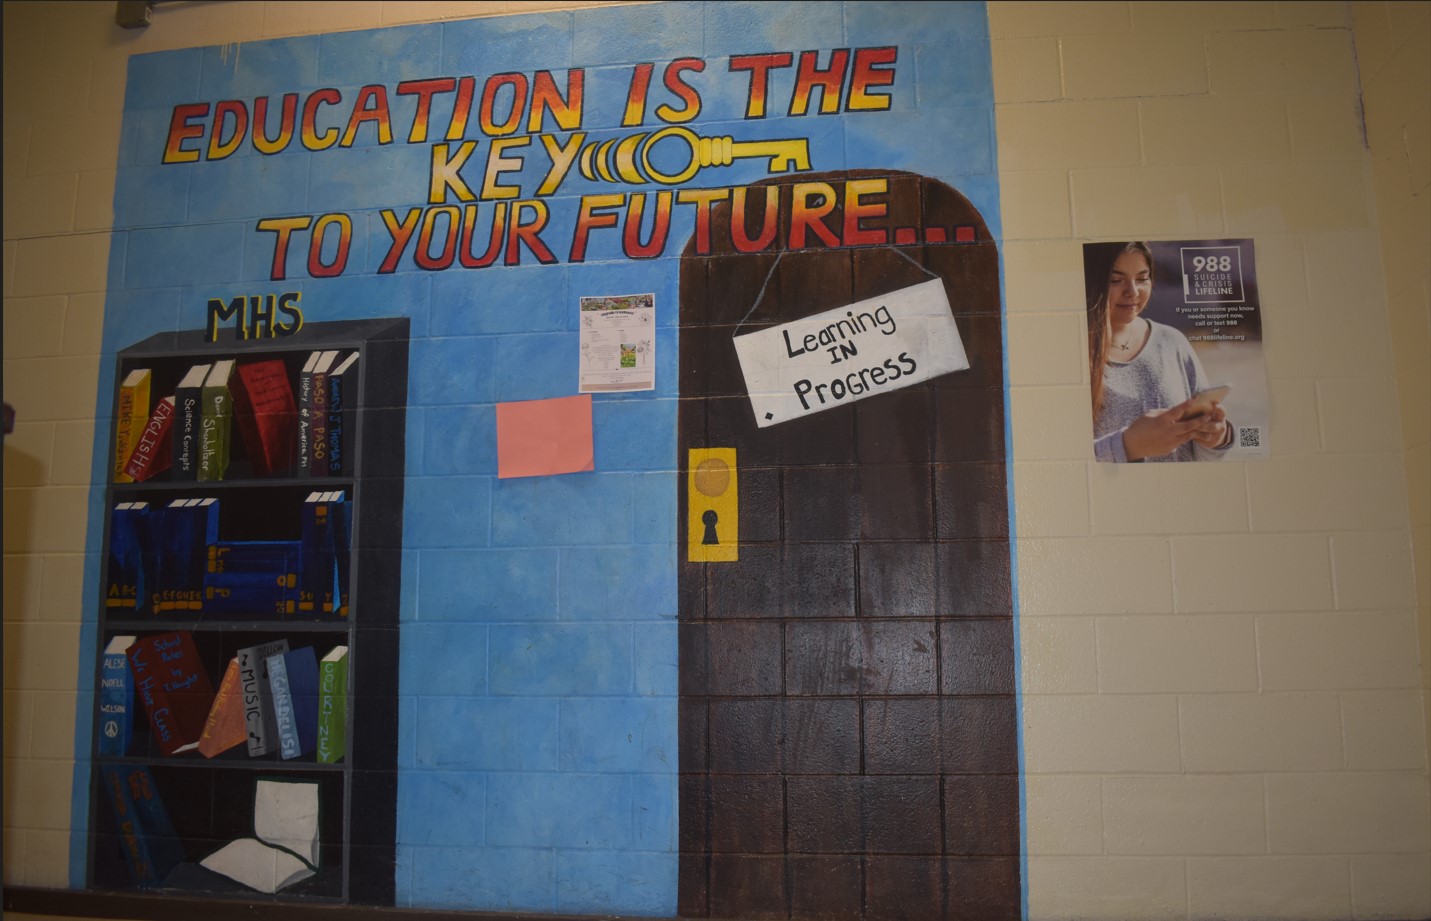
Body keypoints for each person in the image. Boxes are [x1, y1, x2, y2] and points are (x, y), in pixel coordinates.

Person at [1086, 241, 1233, 462]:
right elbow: (1055, 465)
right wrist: (1128, 445)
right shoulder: (1068, 353)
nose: (1132, 291)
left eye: (1142, 278)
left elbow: (1201, 458)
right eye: (1115, 280)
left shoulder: (1172, 341)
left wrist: (1215, 439)